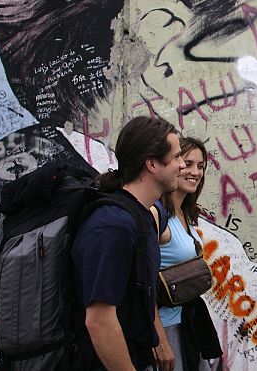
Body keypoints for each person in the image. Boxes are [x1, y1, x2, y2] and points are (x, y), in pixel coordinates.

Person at [71, 115, 186, 371]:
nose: (183, 165)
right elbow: (99, 320)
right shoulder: (112, 224)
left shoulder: (141, 215)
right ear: (152, 164)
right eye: (177, 157)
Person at [152, 137, 221, 371]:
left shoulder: (185, 214)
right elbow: (139, 281)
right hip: (166, 329)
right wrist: (159, 340)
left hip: (187, 324)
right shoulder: (158, 216)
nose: (195, 172)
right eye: (188, 163)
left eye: (201, 166)